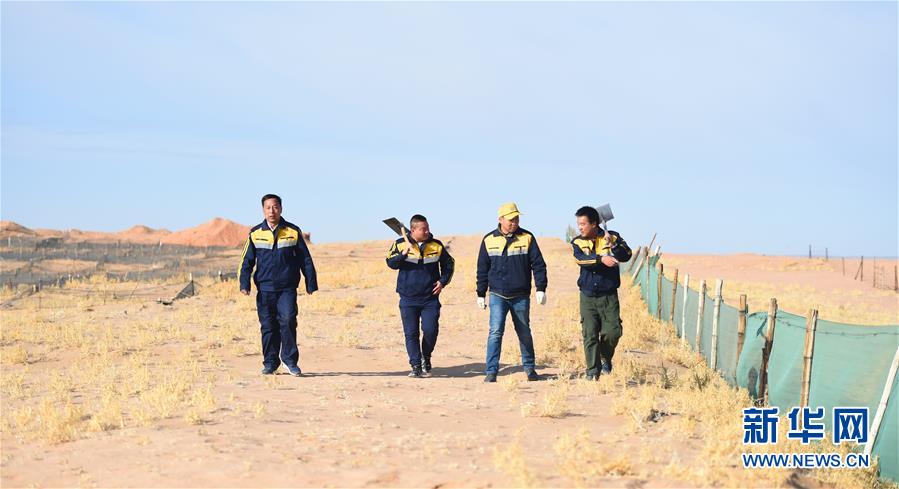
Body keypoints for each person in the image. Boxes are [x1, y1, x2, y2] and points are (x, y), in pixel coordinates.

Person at [239, 194, 318, 376]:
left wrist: (311, 282)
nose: (272, 211)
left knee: (288, 320)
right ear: (263, 210)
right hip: (265, 289)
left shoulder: (292, 231)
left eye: (275, 207)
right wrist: (244, 283)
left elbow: (305, 259)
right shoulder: (255, 233)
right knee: (268, 326)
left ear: (281, 209)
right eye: (268, 207)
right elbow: (246, 261)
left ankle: (290, 361)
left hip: (287, 288)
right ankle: (270, 363)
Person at [476, 202, 548, 383]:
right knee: (495, 332)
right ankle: (491, 371)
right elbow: (482, 269)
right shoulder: (488, 240)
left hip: (520, 295)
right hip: (497, 295)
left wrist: (540, 288)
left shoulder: (527, 237)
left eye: (516, 219)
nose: (514, 222)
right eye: (510, 219)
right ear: (500, 219)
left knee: (524, 332)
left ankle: (530, 369)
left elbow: (538, 265)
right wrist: (480, 293)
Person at [386, 215, 455, 378]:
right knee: (411, 334)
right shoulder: (400, 243)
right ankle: (416, 365)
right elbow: (390, 263)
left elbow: (449, 264)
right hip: (408, 298)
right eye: (423, 229)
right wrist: (403, 254)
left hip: (430, 298)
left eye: (427, 228)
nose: (427, 231)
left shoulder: (436, 245)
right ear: (413, 230)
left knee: (431, 330)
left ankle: (426, 357)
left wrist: (443, 282)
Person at [570, 205, 632, 380]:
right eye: (578, 224)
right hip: (587, 296)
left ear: (594, 223)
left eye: (583, 224)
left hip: (609, 296)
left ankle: (605, 357)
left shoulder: (612, 236)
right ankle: (592, 371)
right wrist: (601, 259)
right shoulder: (577, 242)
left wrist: (614, 245)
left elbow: (627, 255)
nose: (580, 227)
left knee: (613, 332)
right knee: (589, 334)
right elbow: (580, 260)